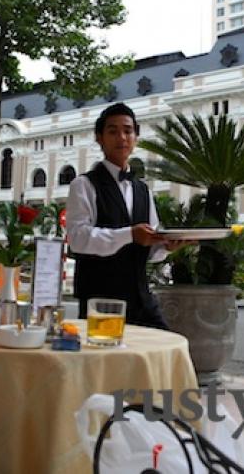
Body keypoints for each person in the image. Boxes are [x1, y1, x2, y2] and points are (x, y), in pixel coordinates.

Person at [67, 103, 184, 329]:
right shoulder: (84, 184)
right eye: (113, 131)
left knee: (166, 349)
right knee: (106, 362)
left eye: (128, 131)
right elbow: (78, 239)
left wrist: (165, 247)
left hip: (141, 297)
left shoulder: (143, 189)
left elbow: (149, 248)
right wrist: (129, 234)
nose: (121, 137)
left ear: (136, 137)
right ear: (99, 138)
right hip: (100, 299)